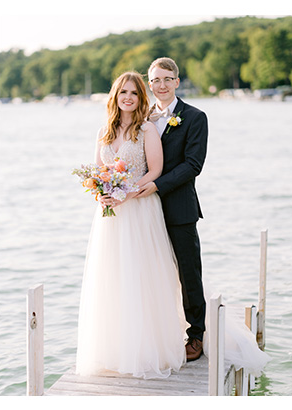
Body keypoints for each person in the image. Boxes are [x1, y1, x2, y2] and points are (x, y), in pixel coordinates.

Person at [75, 71, 188, 379]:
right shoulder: (104, 131)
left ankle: (149, 349)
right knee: (113, 278)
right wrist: (101, 194)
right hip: (110, 216)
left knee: (142, 275)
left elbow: (155, 170)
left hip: (139, 209)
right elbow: (97, 173)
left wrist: (126, 193)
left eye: (134, 93)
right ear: (115, 96)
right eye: (123, 92)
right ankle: (115, 348)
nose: (128, 97)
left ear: (141, 98)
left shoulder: (147, 129)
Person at [132, 57, 208, 361]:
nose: (161, 85)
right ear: (149, 85)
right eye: (155, 80)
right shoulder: (143, 118)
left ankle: (197, 335)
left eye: (166, 79)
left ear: (177, 82)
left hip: (179, 208)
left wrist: (158, 185)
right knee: (150, 273)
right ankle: (157, 332)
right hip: (143, 210)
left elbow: (193, 164)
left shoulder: (194, 117)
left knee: (189, 273)